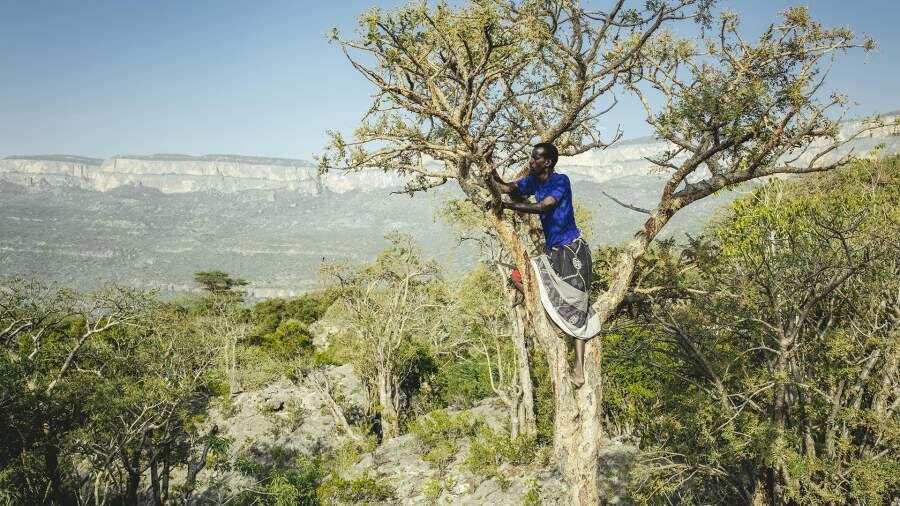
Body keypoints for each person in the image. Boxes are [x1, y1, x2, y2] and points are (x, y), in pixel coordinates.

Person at [488, 142, 601, 387]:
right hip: (554, 252)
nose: (531, 161)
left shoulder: (560, 181)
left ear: (547, 162)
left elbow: (543, 206)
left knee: (577, 307)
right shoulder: (534, 181)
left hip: (572, 251)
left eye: (536, 158)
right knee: (518, 277)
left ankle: (579, 370)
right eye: (531, 157)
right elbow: (505, 187)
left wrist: (506, 206)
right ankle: (552, 320)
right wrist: (489, 165)